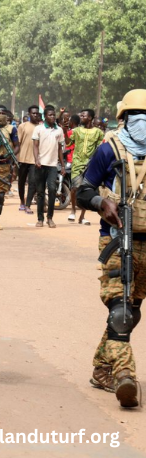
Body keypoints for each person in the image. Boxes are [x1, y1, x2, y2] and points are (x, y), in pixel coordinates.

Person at [76, 89, 146, 408]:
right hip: (118, 240)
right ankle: (123, 375)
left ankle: (101, 369)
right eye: (138, 117)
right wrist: (100, 202)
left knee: (130, 312)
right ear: (125, 120)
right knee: (119, 309)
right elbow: (82, 188)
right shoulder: (109, 149)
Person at [68, 109, 103, 225]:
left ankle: (82, 216)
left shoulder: (98, 132)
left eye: (83, 115)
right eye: (80, 114)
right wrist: (64, 130)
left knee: (85, 190)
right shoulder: (76, 131)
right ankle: (73, 210)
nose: (80, 116)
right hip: (77, 163)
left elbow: (100, 148)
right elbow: (68, 143)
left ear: (90, 118)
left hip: (90, 165)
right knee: (74, 188)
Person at [32, 106, 65, 228]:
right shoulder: (39, 129)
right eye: (50, 115)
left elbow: (60, 149)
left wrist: (62, 165)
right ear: (45, 116)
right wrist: (36, 159)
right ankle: (40, 218)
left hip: (52, 165)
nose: (52, 117)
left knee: (52, 190)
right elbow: (35, 146)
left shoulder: (59, 130)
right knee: (40, 192)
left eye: (54, 115)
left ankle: (50, 218)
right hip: (40, 165)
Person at [17, 105, 42, 214]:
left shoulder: (42, 127)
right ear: (29, 114)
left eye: (37, 113)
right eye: (33, 113)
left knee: (33, 182)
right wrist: (15, 159)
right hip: (22, 158)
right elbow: (18, 143)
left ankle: (28, 204)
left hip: (35, 160)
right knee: (21, 182)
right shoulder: (23, 126)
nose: (35, 115)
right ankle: (22, 201)